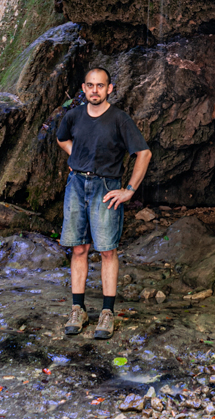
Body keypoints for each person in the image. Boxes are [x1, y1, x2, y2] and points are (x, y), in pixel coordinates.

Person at [56, 66, 152, 339]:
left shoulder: (119, 119)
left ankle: (107, 313)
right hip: (76, 185)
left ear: (110, 88)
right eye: (90, 85)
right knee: (78, 249)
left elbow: (143, 153)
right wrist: (81, 160)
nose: (94, 90)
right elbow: (62, 139)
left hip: (106, 187)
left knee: (107, 251)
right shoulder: (73, 116)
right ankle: (78, 309)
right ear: (83, 89)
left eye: (100, 85)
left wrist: (129, 190)